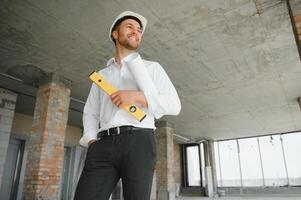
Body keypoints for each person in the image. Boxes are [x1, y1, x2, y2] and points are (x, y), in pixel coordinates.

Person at [74, 11, 181, 200]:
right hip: (103, 144)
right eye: (130, 27)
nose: (136, 32)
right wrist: (91, 141)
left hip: (139, 141)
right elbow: (90, 112)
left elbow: (174, 105)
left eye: (139, 30)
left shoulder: (152, 68)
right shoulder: (102, 75)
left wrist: (137, 96)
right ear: (115, 34)